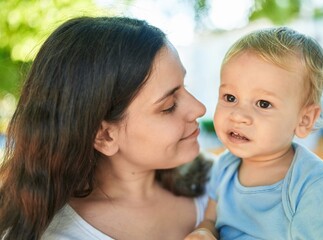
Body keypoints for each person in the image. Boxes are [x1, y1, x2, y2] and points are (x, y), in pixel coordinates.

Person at [0, 16, 213, 240]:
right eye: (168, 106)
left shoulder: (219, 182)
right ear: (105, 136)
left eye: (185, 86)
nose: (199, 108)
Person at [185, 27, 323, 240]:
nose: (239, 115)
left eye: (263, 103)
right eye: (230, 98)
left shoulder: (318, 188)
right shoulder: (224, 169)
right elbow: (211, 220)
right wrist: (204, 232)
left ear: (304, 120)